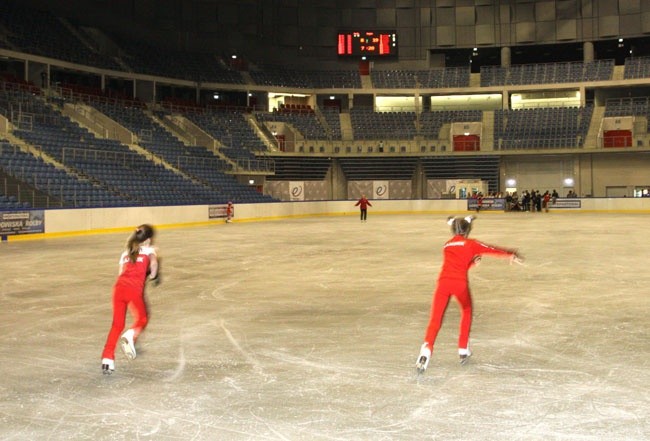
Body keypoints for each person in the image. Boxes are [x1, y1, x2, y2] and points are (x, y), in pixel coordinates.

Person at [415, 215, 523, 373]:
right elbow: (491, 249)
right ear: (468, 230)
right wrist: (510, 254)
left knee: (435, 319)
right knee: (466, 310)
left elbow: (456, 265)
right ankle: (463, 348)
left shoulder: (447, 245)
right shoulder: (471, 244)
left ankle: (426, 350)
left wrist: (472, 263)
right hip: (459, 284)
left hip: (443, 283)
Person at [101, 224, 160, 375]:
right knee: (143, 319)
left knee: (117, 324)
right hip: (134, 291)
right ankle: (131, 334)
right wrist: (153, 274)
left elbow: (121, 272)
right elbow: (153, 268)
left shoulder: (126, 253)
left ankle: (107, 359)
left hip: (118, 290)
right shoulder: (149, 250)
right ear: (147, 240)